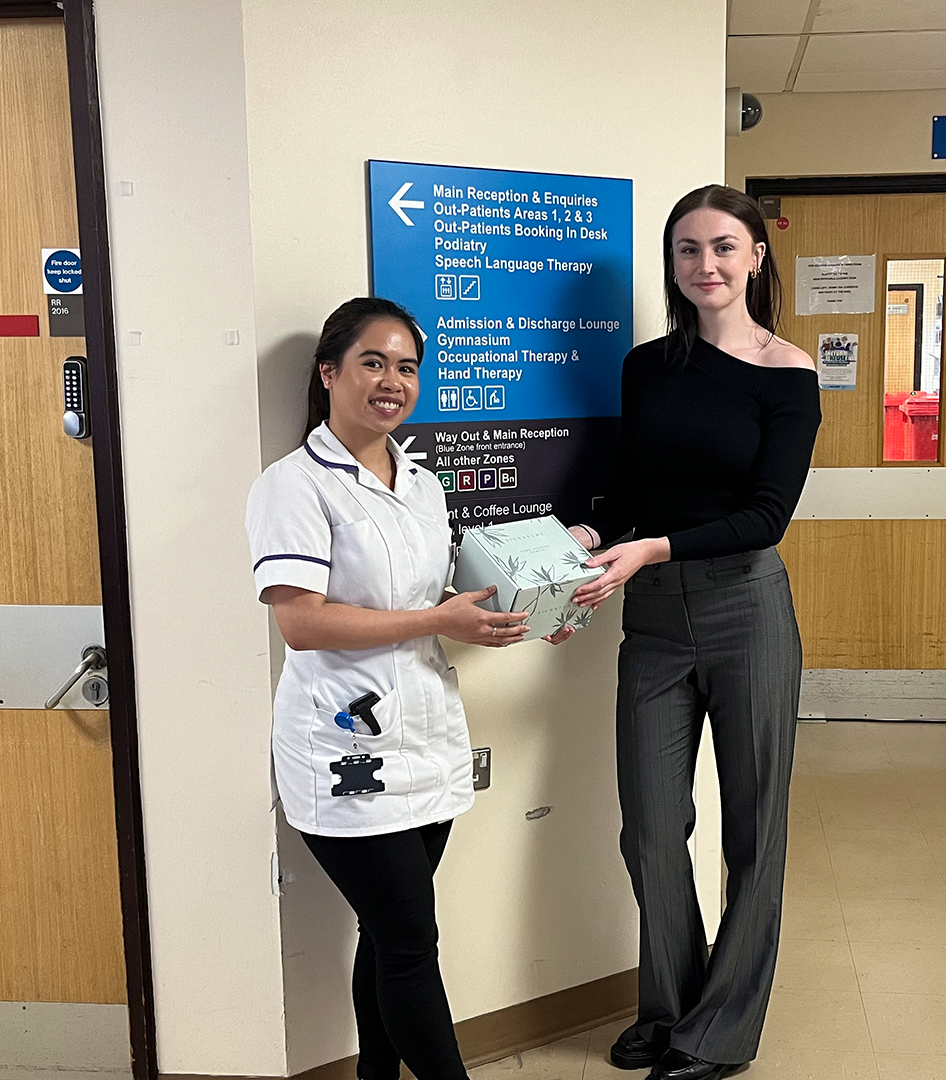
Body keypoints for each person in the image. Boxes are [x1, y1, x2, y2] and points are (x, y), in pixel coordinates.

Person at [559, 185, 821, 1080]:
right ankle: (670, 1010)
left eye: (722, 247)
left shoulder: (789, 374)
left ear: (755, 257)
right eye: (685, 251)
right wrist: (590, 539)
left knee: (754, 827)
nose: (704, 265)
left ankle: (722, 1032)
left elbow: (766, 516)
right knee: (650, 826)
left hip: (748, 606)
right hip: (656, 616)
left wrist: (649, 547)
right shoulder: (646, 367)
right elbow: (631, 491)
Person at [245, 297, 529, 1080]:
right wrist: (435, 618)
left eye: (407, 367)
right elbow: (302, 624)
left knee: (385, 933)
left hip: (426, 739)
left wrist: (539, 597)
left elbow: (447, 595)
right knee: (409, 943)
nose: (391, 381)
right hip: (345, 750)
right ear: (329, 372)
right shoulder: (293, 485)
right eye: (373, 362)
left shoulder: (422, 483)